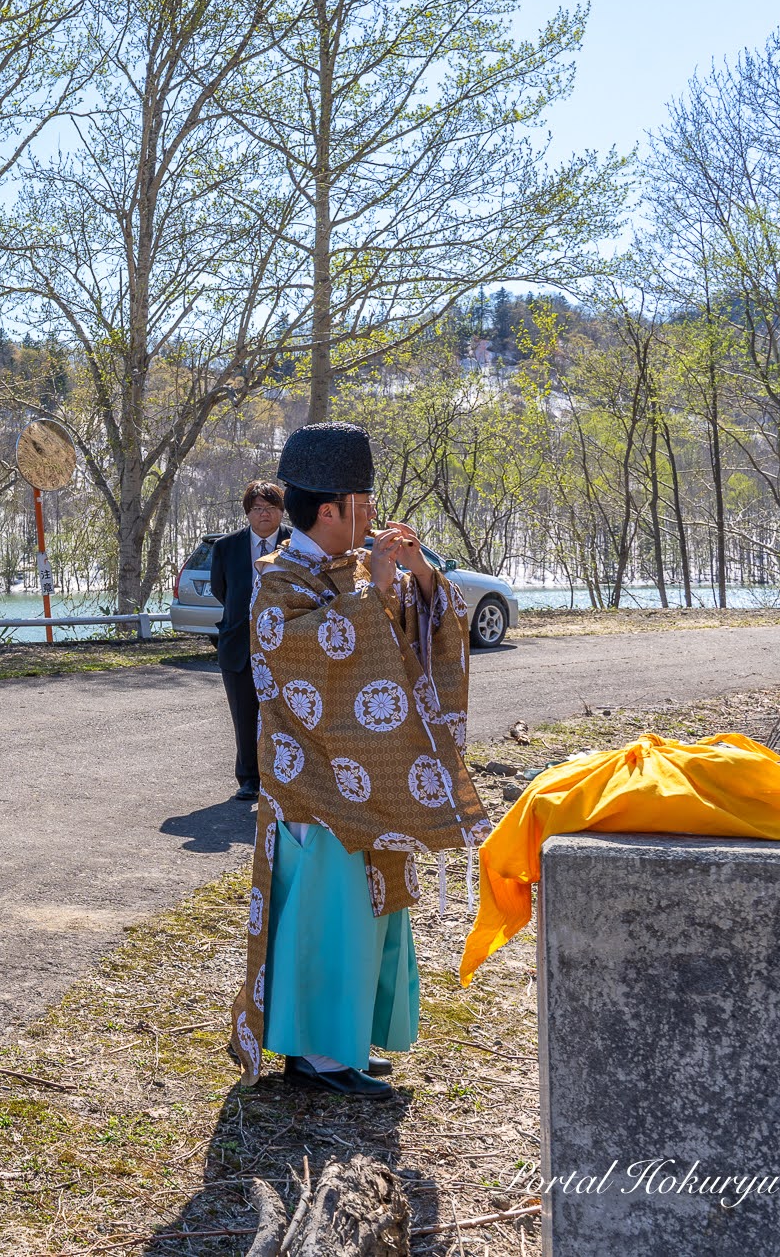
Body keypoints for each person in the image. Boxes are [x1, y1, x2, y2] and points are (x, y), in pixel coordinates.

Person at [227, 422, 485, 1099]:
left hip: (364, 777)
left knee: (365, 917)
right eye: (363, 507)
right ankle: (319, 1054)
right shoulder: (277, 578)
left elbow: (412, 629)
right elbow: (307, 654)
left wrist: (420, 576)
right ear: (329, 511)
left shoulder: (354, 570)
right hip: (312, 782)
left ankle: (349, 1041)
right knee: (328, 919)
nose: (372, 518)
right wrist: (375, 593)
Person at [209, 480, 292, 802]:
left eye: (270, 507)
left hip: (289, 642)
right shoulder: (226, 547)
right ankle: (249, 779)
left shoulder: (298, 543)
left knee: (287, 715)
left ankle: (287, 778)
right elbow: (222, 590)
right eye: (257, 508)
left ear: (282, 511)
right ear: (247, 512)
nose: (264, 514)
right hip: (239, 643)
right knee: (244, 714)